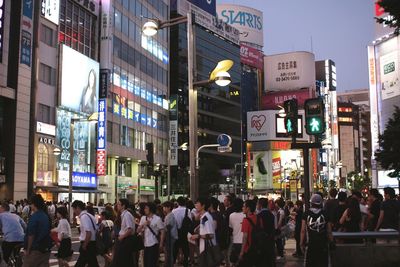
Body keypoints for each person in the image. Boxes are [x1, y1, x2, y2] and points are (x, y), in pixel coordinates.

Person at [301, 194, 333, 267]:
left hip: (311, 244)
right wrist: (331, 241)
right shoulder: (325, 214)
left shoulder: (306, 214)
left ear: (311, 203)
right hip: (323, 244)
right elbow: (329, 231)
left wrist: (301, 242)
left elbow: (303, 230)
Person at [23, 194, 52, 267]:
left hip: (35, 250)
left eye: (31, 204)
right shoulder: (46, 216)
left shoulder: (35, 217)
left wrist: (28, 249)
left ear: (34, 204)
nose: (30, 206)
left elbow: (31, 235)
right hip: (45, 249)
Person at [190, 197, 217, 267]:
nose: (195, 205)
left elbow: (211, 235)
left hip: (207, 249)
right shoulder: (204, 217)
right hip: (204, 249)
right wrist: (198, 227)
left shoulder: (206, 217)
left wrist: (198, 236)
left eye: (197, 203)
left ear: (203, 205)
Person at [72, 200, 99, 267]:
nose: (74, 211)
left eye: (74, 209)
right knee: (92, 263)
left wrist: (84, 245)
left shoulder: (84, 217)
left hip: (88, 244)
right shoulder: (90, 215)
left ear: (78, 208)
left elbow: (88, 233)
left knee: (81, 263)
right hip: (92, 243)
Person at [138, 202, 165, 267]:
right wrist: (143, 225)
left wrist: (161, 244)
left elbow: (162, 231)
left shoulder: (157, 219)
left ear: (151, 209)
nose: (145, 210)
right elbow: (138, 230)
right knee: (146, 263)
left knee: (152, 263)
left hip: (154, 243)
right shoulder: (143, 218)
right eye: (144, 208)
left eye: (146, 208)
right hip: (145, 244)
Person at [112, 199, 135, 267]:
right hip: (123, 239)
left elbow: (130, 229)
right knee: (123, 260)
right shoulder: (124, 214)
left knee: (122, 260)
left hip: (125, 240)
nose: (117, 205)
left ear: (123, 206)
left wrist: (121, 237)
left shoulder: (127, 215)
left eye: (119, 204)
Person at [172, 197, 191, 267]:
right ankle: (185, 262)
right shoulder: (187, 210)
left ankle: (173, 262)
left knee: (175, 249)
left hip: (176, 232)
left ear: (178, 203)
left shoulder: (174, 211)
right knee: (185, 248)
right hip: (184, 232)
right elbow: (190, 221)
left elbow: (172, 222)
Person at [257, 198, 276, 266]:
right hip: (270, 240)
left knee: (262, 260)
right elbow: (274, 227)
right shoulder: (271, 215)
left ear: (260, 205)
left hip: (262, 241)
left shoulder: (259, 215)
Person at [238, 199, 257, 266]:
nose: (242, 208)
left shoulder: (246, 220)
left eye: (243, 206)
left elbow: (245, 237)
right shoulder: (258, 218)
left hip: (248, 249)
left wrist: (241, 252)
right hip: (257, 248)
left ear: (248, 208)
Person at [228, 198, 244, 266]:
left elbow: (231, 227)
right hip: (244, 241)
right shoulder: (245, 215)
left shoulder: (231, 215)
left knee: (234, 260)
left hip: (235, 241)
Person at [163, 201, 178, 267]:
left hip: (170, 236)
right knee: (169, 252)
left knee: (169, 252)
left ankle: (169, 264)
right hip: (171, 236)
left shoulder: (170, 216)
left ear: (169, 207)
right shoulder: (169, 215)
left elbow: (168, 227)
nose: (164, 208)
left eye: (165, 207)